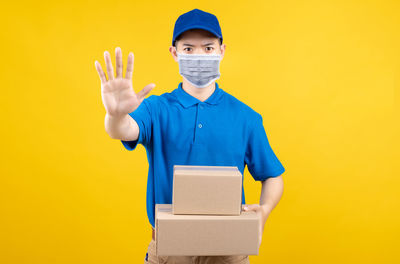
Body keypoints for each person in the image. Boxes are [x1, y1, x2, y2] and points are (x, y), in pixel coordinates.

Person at [94, 8, 285, 264]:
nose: (199, 55)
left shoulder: (245, 117)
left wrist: (263, 211)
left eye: (208, 48)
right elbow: (122, 130)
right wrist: (116, 115)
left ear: (222, 51)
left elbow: (272, 176)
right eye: (188, 49)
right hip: (171, 248)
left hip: (229, 248)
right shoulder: (156, 108)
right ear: (174, 53)